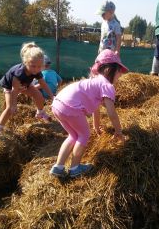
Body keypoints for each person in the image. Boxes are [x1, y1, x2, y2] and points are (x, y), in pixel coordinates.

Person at [50, 49, 128, 178]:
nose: (120, 74)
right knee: (84, 135)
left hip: (58, 103)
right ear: (110, 69)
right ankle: (75, 168)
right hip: (70, 107)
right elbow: (111, 113)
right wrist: (118, 131)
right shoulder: (107, 85)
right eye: (119, 70)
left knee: (73, 135)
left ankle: (58, 167)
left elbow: (95, 109)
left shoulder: (95, 81)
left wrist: (96, 126)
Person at [0, 42, 54, 135]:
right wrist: (14, 104)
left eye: (39, 66)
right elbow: (15, 89)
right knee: (9, 108)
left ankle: (40, 112)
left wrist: (52, 96)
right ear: (26, 62)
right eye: (33, 66)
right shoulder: (19, 72)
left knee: (39, 96)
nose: (36, 69)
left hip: (25, 84)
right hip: (10, 87)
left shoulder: (36, 71)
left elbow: (43, 84)